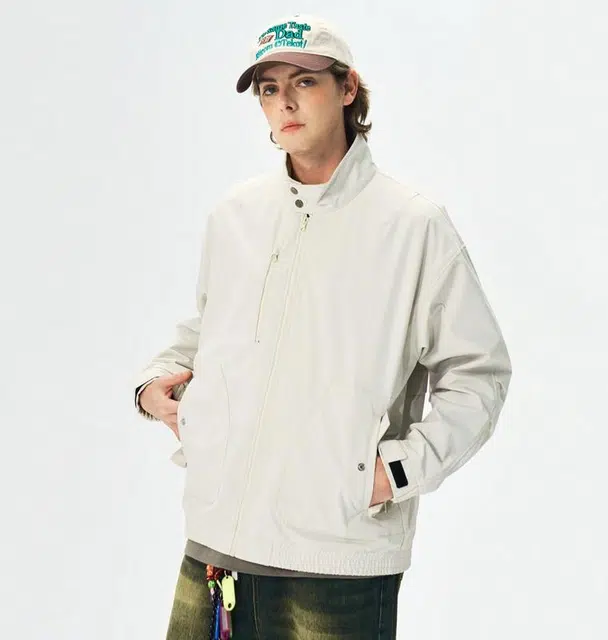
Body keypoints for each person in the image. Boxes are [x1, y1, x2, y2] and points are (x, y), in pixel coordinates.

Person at [133, 13, 512, 640]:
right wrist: (153, 387)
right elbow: (206, 331)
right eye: (268, 88)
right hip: (217, 543)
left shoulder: (412, 226)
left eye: (303, 82)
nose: (283, 102)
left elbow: (479, 374)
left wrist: (394, 472)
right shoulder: (236, 215)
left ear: (347, 88)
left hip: (335, 558)